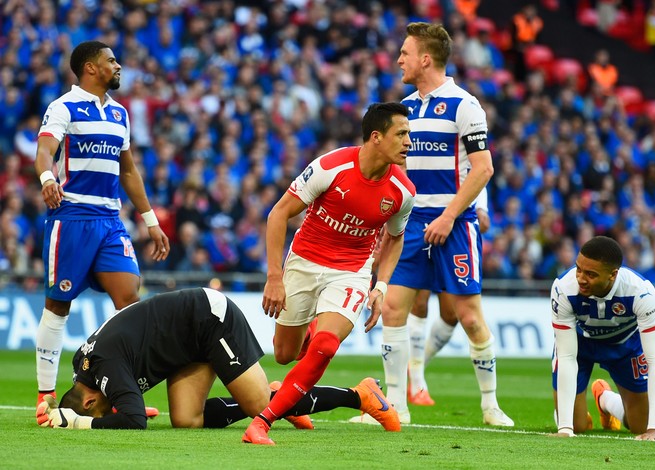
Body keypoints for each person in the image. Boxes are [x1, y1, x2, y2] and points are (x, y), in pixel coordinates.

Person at [352, 22, 513, 427]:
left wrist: (449, 215)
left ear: (426, 58)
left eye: (405, 53)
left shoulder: (465, 105)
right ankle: (395, 407)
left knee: (470, 316)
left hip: (454, 223)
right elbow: (395, 170)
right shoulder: (404, 110)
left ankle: (491, 406)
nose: (399, 60)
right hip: (410, 223)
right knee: (391, 309)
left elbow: (484, 169)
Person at [241, 102, 416, 445]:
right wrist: (274, 277)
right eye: (402, 134)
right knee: (284, 354)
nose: (409, 141)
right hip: (304, 262)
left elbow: (395, 239)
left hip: (351, 271)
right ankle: (356, 390)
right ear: (376, 137)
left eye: (409, 134)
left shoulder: (403, 191)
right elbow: (278, 215)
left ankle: (263, 422)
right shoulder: (330, 167)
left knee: (325, 345)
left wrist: (380, 285)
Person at [36, 287, 400, 432]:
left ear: (89, 399)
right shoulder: (85, 369)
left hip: (208, 319)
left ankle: (361, 395)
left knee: (260, 405)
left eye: (102, 410)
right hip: (183, 341)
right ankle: (271, 395)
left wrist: (78, 423)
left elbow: (132, 419)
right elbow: (119, 401)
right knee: (186, 420)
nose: (110, 409)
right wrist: (53, 404)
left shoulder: (103, 369)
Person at [34, 40, 170, 415]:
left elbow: (128, 170)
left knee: (130, 302)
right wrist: (47, 177)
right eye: (111, 60)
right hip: (73, 216)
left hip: (111, 221)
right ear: (91, 68)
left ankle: (121, 393)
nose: (118, 65)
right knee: (58, 305)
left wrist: (150, 220)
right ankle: (45, 396)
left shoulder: (120, 114)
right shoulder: (63, 107)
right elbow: (44, 151)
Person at [551, 236, 655, 441]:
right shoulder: (563, 288)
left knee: (641, 425)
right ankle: (571, 418)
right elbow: (567, 356)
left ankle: (605, 399)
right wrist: (565, 428)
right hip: (580, 345)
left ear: (613, 275)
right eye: (578, 269)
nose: (580, 278)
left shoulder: (641, 292)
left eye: (591, 274)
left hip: (625, 345)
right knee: (576, 426)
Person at [407, 188, 490, 405]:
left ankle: (416, 364)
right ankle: (416, 384)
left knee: (451, 314)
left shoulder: (470, 155)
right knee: (419, 301)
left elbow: (475, 171)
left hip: (455, 223)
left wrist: (481, 208)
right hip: (420, 216)